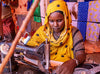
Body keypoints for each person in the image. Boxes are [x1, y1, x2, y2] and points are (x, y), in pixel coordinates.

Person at [23, 0, 86, 74]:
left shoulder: (74, 32)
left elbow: (81, 54)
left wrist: (73, 62)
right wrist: (39, 60)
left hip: (66, 69)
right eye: (51, 21)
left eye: (59, 20)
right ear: (47, 20)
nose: (55, 25)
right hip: (46, 69)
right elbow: (28, 50)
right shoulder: (43, 31)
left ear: (66, 18)